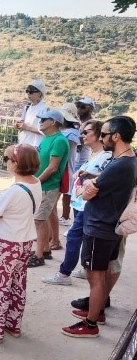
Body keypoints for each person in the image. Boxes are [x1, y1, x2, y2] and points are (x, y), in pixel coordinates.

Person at [62, 116, 137, 338]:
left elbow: (88, 191)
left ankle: (91, 323)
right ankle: (97, 312)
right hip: (110, 227)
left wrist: (87, 184)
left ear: (116, 136)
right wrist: (92, 180)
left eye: (103, 134)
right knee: (101, 275)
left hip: (100, 227)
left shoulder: (120, 164)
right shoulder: (129, 160)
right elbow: (103, 182)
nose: (101, 138)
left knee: (95, 278)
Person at [0, 144, 42, 343]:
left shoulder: (13, 191)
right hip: (25, 241)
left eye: (6, 159)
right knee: (18, 283)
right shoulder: (36, 183)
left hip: (6, 243)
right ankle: (13, 323)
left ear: (16, 163)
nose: (5, 163)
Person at [42, 120, 111, 285]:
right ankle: (83, 269)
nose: (83, 135)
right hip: (81, 203)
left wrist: (86, 177)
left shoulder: (106, 156)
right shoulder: (94, 154)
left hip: (89, 204)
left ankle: (64, 274)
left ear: (99, 134)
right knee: (84, 238)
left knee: (74, 236)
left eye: (86, 132)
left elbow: (104, 180)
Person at [27, 109, 69, 268]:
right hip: (43, 185)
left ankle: (39, 256)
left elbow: (52, 167)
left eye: (44, 119)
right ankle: (44, 250)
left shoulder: (58, 140)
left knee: (39, 220)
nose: (40, 121)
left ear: (53, 122)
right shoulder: (47, 138)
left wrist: (36, 181)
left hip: (48, 186)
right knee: (41, 218)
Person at [52, 103, 80, 231]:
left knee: (65, 192)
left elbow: (64, 148)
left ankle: (65, 216)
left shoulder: (72, 133)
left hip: (66, 167)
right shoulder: (63, 132)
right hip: (61, 166)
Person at [15, 80, 48, 147]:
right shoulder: (27, 107)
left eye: (31, 91)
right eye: (27, 91)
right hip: (23, 143)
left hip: (35, 145)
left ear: (39, 93)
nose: (28, 93)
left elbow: (44, 131)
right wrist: (18, 125)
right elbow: (22, 122)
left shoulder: (44, 109)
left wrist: (27, 128)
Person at [74, 97, 95, 171]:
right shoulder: (75, 121)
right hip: (72, 160)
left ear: (90, 109)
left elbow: (83, 140)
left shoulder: (93, 124)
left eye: (83, 107)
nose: (79, 109)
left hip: (82, 161)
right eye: (78, 106)